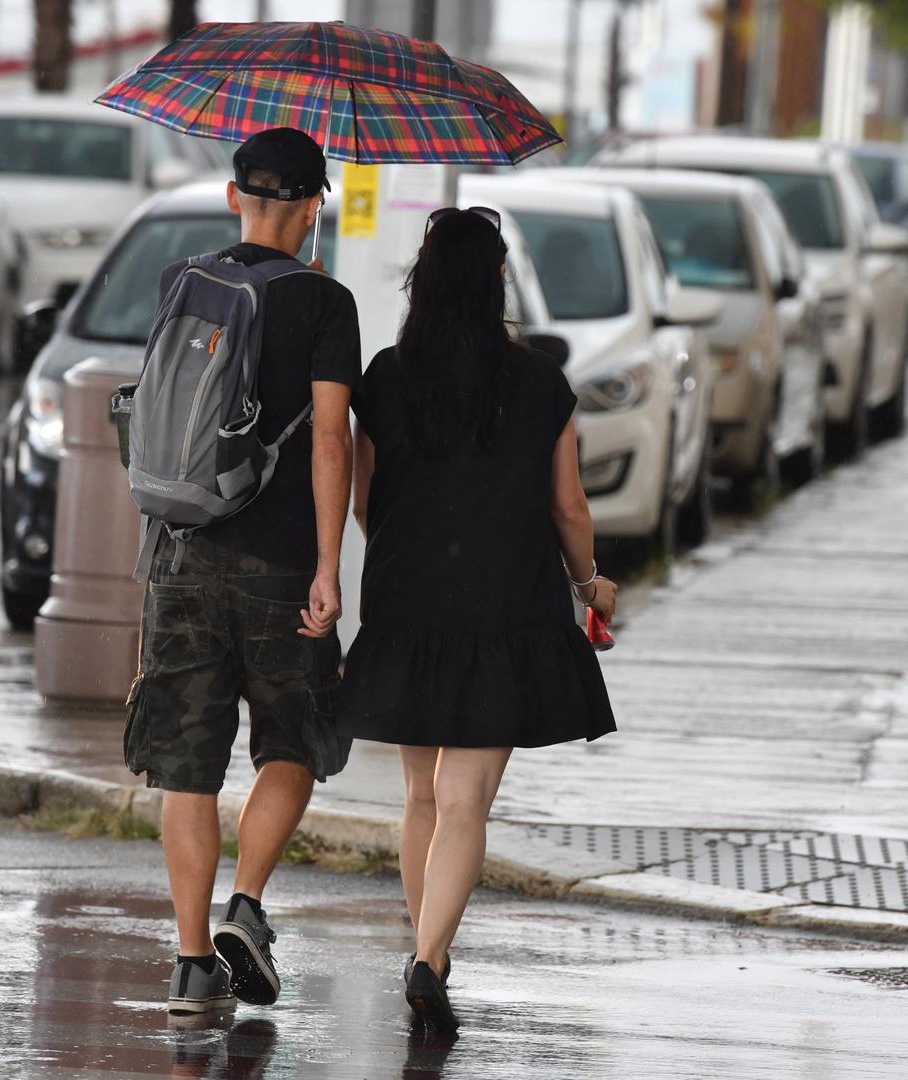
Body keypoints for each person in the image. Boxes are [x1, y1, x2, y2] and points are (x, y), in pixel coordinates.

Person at [337, 206, 618, 1030]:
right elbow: (567, 508)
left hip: (406, 601)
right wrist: (590, 582)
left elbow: (366, 502)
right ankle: (428, 960)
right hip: (503, 605)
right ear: (496, 279)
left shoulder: (386, 376)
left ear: (421, 282)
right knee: (466, 802)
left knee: (420, 795)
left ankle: (428, 950)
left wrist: (407, 561)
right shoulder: (538, 384)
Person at [122, 127, 360, 1015]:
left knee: (186, 763)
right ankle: (246, 907)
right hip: (279, 562)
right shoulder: (325, 302)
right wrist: (330, 565)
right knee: (296, 739)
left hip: (178, 552)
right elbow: (331, 436)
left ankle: (190, 965)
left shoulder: (181, 281)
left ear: (234, 197)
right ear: (311, 207)